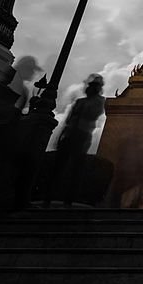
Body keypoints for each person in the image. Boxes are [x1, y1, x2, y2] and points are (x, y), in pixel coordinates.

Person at [42, 74, 106, 208]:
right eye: (90, 86)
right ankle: (47, 196)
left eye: (93, 86)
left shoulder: (99, 102)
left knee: (76, 169)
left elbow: (92, 114)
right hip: (70, 134)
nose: (90, 88)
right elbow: (69, 120)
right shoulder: (80, 101)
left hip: (83, 135)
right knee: (58, 167)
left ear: (98, 88)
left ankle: (69, 199)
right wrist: (61, 135)